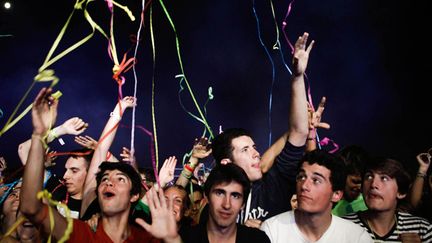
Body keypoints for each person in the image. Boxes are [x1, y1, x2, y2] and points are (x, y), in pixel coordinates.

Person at [20, 87, 181, 243]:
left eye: (120, 179)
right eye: (104, 179)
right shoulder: (79, 233)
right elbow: (31, 207)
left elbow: (101, 150)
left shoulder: (146, 238)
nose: (109, 182)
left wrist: (172, 239)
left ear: (134, 196)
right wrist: (39, 134)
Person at [208, 32, 312, 227]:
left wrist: (297, 77)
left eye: (253, 147)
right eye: (245, 150)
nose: (256, 154)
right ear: (226, 162)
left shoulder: (273, 183)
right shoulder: (216, 204)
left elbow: (299, 132)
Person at [261, 149, 372, 243]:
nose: (304, 186)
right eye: (301, 177)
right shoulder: (272, 230)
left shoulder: (356, 238)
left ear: (336, 194)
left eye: (316, 180)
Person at [344, 157, 432, 242]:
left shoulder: (421, 229)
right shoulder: (343, 227)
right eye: (369, 177)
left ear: (401, 193)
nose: (373, 184)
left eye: (384, 178)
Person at [180, 163, 270, 243]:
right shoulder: (185, 239)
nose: (227, 205)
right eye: (219, 193)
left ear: (243, 204)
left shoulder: (258, 240)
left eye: (235, 196)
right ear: (206, 197)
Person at [332, 145, 369, 216]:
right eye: (355, 181)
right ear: (342, 175)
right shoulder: (327, 202)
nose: (360, 187)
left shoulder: (369, 203)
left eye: (363, 182)